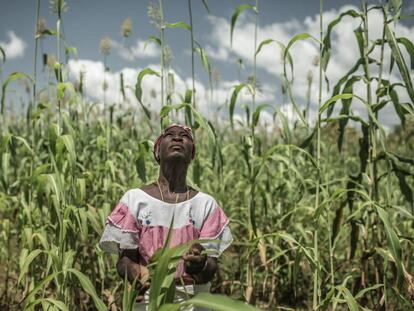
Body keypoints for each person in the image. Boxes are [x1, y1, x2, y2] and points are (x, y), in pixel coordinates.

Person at [99, 124, 233, 310]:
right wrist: (138, 274)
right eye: (169, 135)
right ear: (157, 152)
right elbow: (125, 260)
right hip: (149, 299)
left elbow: (211, 267)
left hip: (194, 300)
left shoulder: (206, 204)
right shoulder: (135, 200)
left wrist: (199, 266)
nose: (177, 138)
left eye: (185, 136)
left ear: (192, 155)